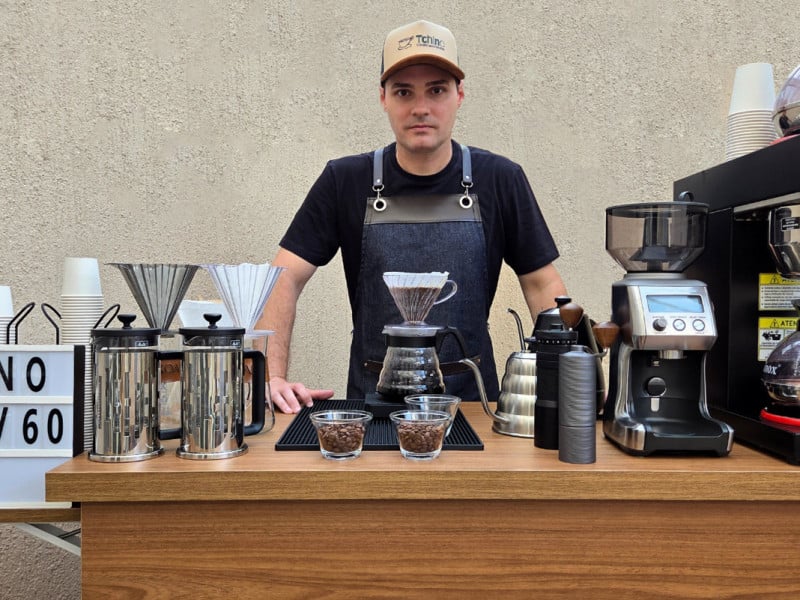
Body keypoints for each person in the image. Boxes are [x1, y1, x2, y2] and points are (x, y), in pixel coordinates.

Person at [258, 19, 567, 414]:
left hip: (475, 409)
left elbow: (544, 288)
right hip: (371, 409)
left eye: (436, 90)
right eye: (404, 92)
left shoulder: (500, 179)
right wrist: (271, 377)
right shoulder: (344, 180)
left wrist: (572, 384)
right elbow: (282, 278)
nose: (421, 108)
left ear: (460, 95)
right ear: (384, 98)